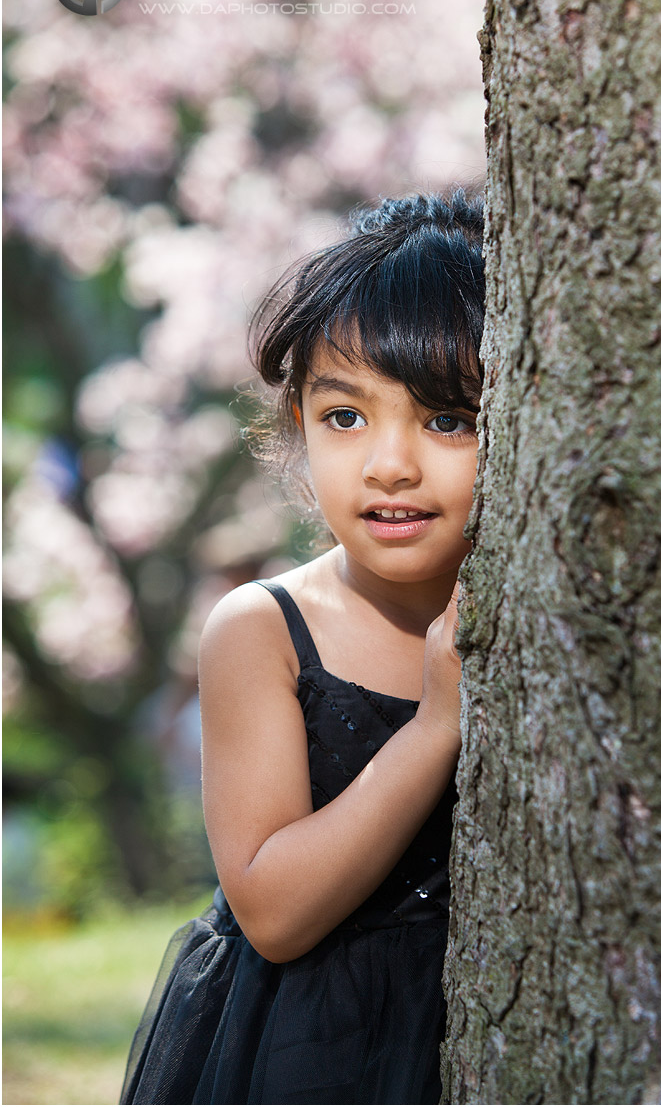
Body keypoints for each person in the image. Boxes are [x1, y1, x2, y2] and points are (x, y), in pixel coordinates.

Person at [120, 188, 485, 1105]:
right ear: (296, 430)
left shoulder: (540, 616)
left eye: (448, 418)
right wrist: (435, 725)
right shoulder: (265, 630)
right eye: (345, 417)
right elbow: (271, 911)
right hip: (309, 1049)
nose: (389, 463)